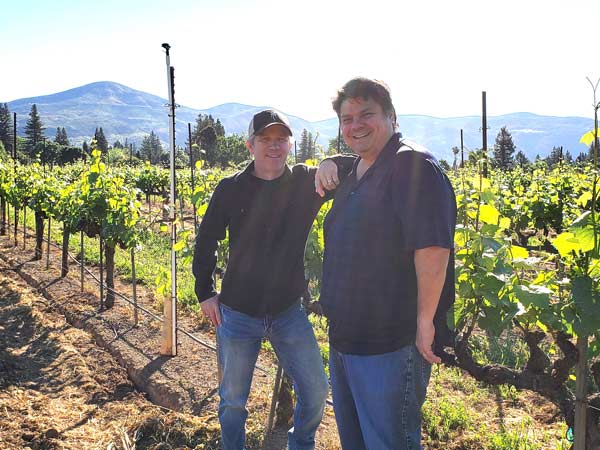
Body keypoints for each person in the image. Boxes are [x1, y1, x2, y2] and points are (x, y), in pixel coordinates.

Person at [192, 109, 354, 450]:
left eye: (281, 139)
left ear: (290, 144)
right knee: (233, 401)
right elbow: (206, 240)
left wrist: (332, 162)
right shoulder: (230, 189)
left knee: (316, 390)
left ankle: (301, 443)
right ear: (250, 145)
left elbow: (357, 166)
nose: (274, 146)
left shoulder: (305, 182)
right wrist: (205, 291)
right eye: (265, 139)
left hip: (287, 313)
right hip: (237, 314)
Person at [319, 77, 457, 450]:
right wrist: (328, 161)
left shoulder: (412, 165)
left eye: (367, 114)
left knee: (389, 442)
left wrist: (426, 321)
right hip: (346, 339)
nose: (355, 125)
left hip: (389, 345)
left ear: (391, 116)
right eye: (347, 119)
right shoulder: (359, 169)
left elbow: (432, 250)